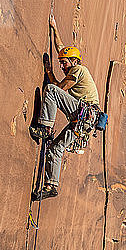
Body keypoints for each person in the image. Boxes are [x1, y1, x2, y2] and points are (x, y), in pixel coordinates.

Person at [29, 15, 100, 200]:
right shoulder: (73, 65)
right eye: (61, 62)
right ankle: (51, 186)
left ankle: (45, 128)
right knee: (55, 149)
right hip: (84, 122)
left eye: (64, 62)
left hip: (85, 114)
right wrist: (54, 27)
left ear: (74, 61)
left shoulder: (78, 70)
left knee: (51, 90)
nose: (62, 65)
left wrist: (49, 72)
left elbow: (58, 89)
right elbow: (61, 49)